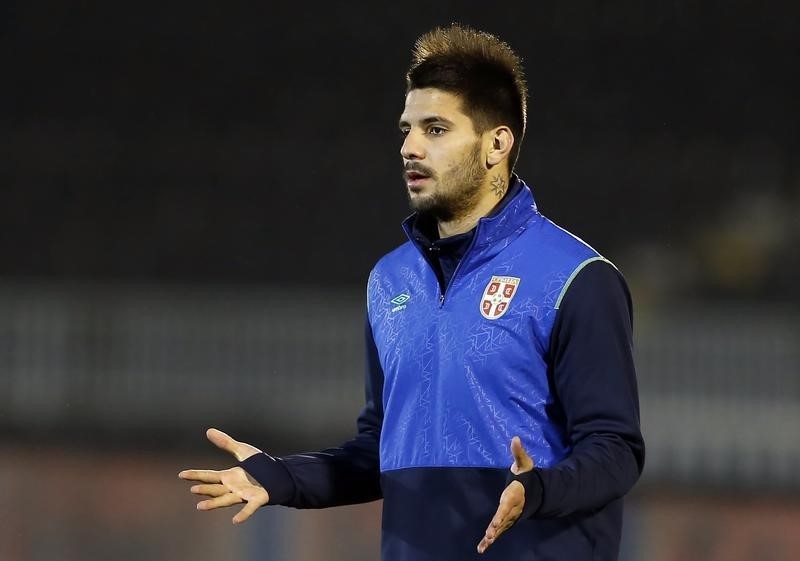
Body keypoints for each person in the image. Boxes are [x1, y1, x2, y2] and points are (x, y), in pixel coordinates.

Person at [179, 23, 644, 561]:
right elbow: (381, 450)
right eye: (407, 129)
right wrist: (283, 479)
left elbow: (615, 452)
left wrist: (538, 490)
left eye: (436, 128)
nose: (410, 147)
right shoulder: (390, 280)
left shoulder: (577, 278)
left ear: (497, 143)